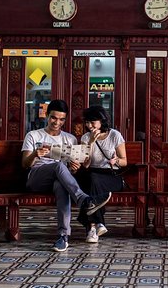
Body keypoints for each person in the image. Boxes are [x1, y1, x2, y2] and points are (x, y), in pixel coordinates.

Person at [22, 99, 112, 252]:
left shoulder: (69, 139)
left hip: (58, 179)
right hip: (37, 178)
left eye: (61, 119)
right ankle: (85, 200)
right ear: (47, 115)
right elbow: (25, 164)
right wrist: (35, 155)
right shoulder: (33, 135)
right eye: (53, 118)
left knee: (61, 185)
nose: (57, 122)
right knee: (58, 165)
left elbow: (73, 170)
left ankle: (63, 237)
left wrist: (74, 167)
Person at [77, 105, 127, 243]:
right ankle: (97, 224)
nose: (90, 126)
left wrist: (116, 160)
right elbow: (85, 164)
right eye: (87, 122)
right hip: (92, 174)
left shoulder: (115, 135)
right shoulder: (86, 137)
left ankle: (91, 227)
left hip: (112, 175)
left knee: (93, 183)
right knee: (92, 179)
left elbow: (124, 161)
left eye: (93, 122)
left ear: (102, 121)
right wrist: (91, 142)